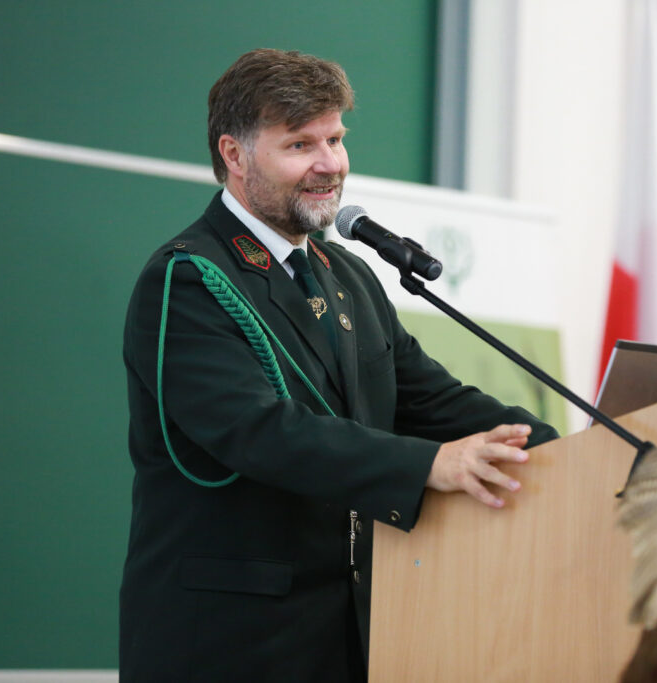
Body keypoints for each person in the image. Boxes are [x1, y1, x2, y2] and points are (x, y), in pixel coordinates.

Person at [119, 48, 558, 682]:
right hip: (231, 646)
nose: (331, 165)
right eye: (300, 145)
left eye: (335, 138)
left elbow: (435, 402)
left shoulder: (346, 273)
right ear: (234, 155)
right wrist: (432, 464)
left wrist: (577, 450)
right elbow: (262, 431)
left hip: (350, 639)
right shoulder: (187, 279)